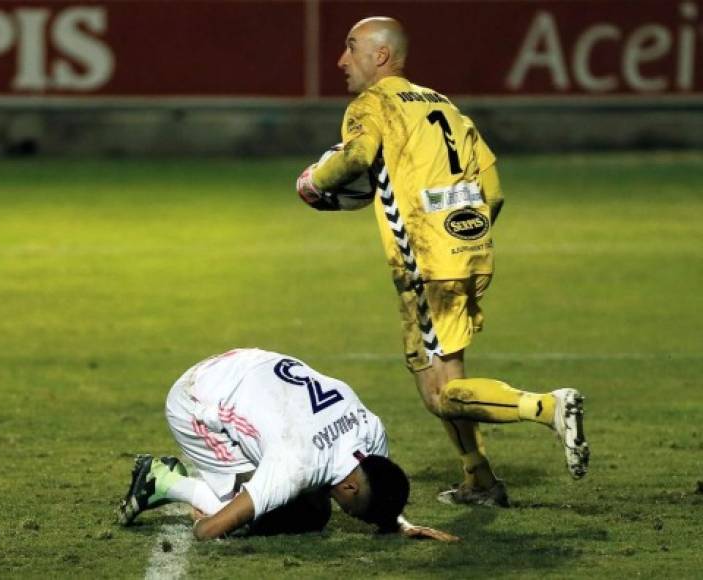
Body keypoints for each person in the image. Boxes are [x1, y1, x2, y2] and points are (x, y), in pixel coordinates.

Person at [295, 17, 589, 507]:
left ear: (381, 55)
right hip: (469, 255)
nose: (341, 61)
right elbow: (493, 192)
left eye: (350, 49)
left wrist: (313, 181)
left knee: (438, 394)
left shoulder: (373, 104)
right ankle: (480, 479)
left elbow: (355, 158)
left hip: (426, 265)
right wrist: (463, 235)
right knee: (452, 379)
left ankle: (547, 406)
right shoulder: (443, 105)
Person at [117, 348, 456, 541]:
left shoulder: (371, 435)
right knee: (272, 516)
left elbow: (380, 485)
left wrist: (402, 525)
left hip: (249, 366)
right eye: (355, 514)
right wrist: (212, 517)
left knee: (311, 507)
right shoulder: (296, 464)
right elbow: (207, 531)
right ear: (350, 488)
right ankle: (163, 480)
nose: (353, 518)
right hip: (196, 399)